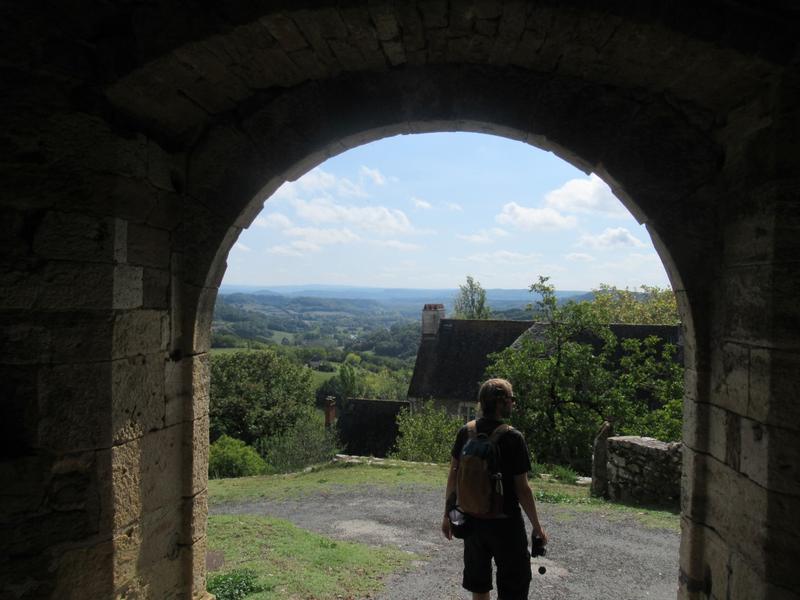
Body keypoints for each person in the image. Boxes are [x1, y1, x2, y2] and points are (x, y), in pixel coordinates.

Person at [441, 378, 548, 600]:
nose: (513, 404)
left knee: (479, 585)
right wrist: (537, 527)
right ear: (502, 402)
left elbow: (453, 475)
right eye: (512, 399)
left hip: (471, 521)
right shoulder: (513, 438)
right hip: (505, 525)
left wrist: (447, 515)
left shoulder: (466, 432)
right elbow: (523, 489)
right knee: (513, 587)